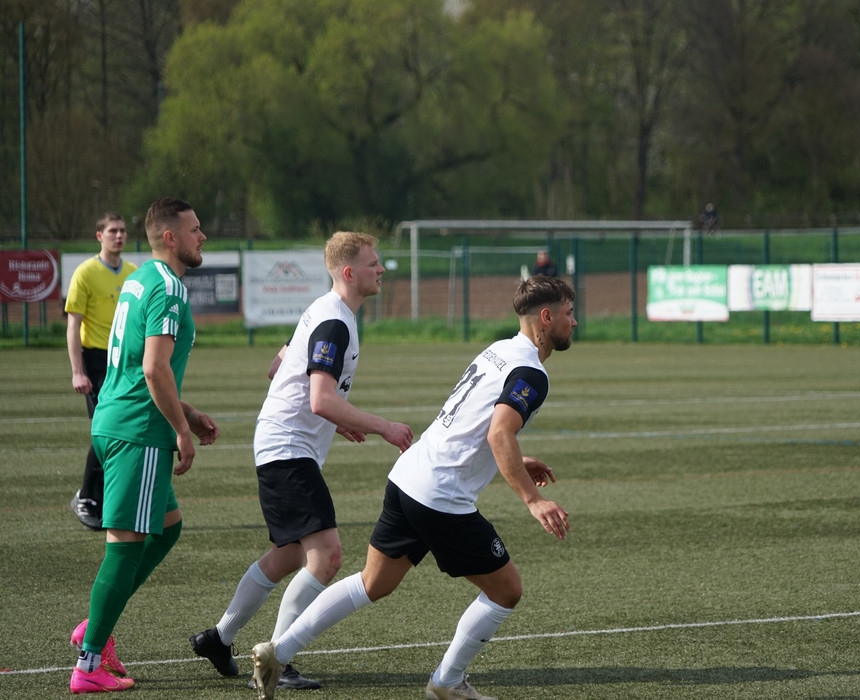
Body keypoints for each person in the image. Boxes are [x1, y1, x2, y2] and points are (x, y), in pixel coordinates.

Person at [249, 274, 576, 700]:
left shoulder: (499, 349)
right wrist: (533, 499)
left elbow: (477, 427)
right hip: (440, 496)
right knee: (506, 591)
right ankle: (447, 683)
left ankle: (277, 652)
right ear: (546, 317)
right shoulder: (532, 372)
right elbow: (499, 433)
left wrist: (515, 459)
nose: (575, 322)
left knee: (373, 583)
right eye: (570, 313)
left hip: (409, 476)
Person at [190, 232, 414, 691]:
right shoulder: (335, 321)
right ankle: (276, 659)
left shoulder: (324, 309)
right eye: (373, 264)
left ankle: (220, 638)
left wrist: (335, 416)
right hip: (288, 448)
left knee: (290, 554)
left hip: (283, 444)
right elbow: (319, 399)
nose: (381, 270)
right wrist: (383, 426)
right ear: (349, 272)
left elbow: (279, 368)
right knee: (326, 556)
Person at [69, 198, 219, 694]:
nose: (202, 236)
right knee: (125, 546)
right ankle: (89, 662)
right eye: (195, 230)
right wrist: (181, 430)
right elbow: (154, 369)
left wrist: (188, 413)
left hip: (116, 420)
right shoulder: (168, 287)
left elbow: (141, 366)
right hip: (138, 431)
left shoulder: (139, 279)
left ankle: (96, 627)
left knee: (168, 528)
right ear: (170, 237)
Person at [65, 212, 138, 531]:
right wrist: (77, 371)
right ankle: (86, 497)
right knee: (106, 431)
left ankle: (106, 499)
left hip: (125, 361)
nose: (118, 236)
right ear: (99, 236)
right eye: (112, 231)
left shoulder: (134, 273)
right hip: (95, 361)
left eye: (122, 231)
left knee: (121, 431)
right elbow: (73, 325)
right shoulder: (86, 272)